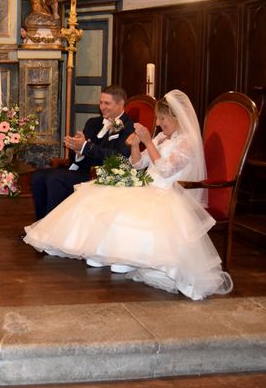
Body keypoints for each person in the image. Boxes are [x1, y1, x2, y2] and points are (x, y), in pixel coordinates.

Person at [23, 90, 233, 300]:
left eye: (162, 119)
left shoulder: (187, 142)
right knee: (98, 194)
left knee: (129, 210)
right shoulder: (161, 137)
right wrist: (135, 146)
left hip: (168, 191)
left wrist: (148, 142)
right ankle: (101, 251)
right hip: (146, 184)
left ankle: (122, 257)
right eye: (158, 118)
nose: (158, 124)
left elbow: (166, 170)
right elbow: (138, 163)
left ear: (176, 118)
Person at [31, 85, 134, 220]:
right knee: (38, 176)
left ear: (121, 104)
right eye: (101, 102)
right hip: (82, 169)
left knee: (54, 178)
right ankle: (41, 224)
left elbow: (119, 156)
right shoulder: (93, 123)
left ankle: (53, 226)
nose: (102, 107)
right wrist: (77, 150)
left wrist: (86, 146)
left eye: (107, 103)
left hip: (100, 175)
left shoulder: (129, 127)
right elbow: (77, 155)